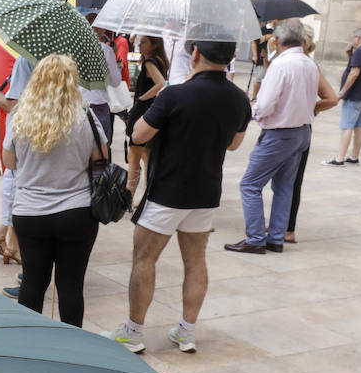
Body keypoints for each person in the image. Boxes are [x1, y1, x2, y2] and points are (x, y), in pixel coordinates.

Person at [103, 40, 251, 354]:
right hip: (206, 192)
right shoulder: (239, 98)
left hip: (167, 192)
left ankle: (133, 331)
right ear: (231, 57)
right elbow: (233, 145)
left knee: (144, 259)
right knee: (196, 262)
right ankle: (186, 332)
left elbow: (139, 135)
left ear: (195, 54)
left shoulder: (175, 94)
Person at [1, 55, 105, 325]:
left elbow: (9, 163)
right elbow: (100, 160)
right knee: (71, 287)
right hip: (76, 211)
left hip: (30, 213)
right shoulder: (86, 117)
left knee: (33, 284)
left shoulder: (20, 117)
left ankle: (33, 347)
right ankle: (72, 351)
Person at [226, 19, 333, 254]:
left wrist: (251, 110)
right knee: (284, 187)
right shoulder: (309, 64)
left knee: (250, 184)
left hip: (280, 133)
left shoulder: (281, 64)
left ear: (276, 41)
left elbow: (265, 105)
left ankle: (255, 239)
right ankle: (275, 237)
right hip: (302, 132)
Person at [284, 26, 338, 244]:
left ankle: (286, 228)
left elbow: (332, 99)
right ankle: (284, 227)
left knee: (287, 180)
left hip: (291, 128)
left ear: (304, 43)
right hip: (300, 127)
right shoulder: (303, 64)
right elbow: (331, 99)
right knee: (290, 179)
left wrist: (312, 108)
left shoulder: (303, 64)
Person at [0, 56, 36, 265]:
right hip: (39, 134)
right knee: (16, 181)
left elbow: (12, 106)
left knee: (15, 179)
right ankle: (8, 242)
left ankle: (7, 241)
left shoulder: (26, 58)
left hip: (25, 133)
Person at [330, 27, 361, 166]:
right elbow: (358, 68)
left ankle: (339, 158)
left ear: (358, 38)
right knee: (358, 127)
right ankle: (354, 156)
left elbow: (354, 73)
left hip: (354, 95)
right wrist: (350, 55)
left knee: (347, 127)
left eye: (353, 37)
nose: (352, 40)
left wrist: (342, 92)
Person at [127, 35, 168, 196]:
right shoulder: (160, 61)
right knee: (146, 157)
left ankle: (128, 195)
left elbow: (160, 84)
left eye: (144, 42)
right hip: (152, 112)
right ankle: (148, 195)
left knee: (135, 156)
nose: (140, 45)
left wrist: (142, 98)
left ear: (154, 45)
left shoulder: (150, 62)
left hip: (143, 113)